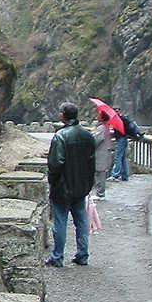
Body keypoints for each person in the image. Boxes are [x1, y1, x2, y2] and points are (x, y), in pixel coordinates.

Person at [46, 102, 96, 267]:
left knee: (60, 221)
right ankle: (82, 254)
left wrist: (52, 181)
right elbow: (91, 163)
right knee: (81, 220)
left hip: (62, 187)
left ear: (63, 115)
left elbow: (55, 164)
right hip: (81, 187)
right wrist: (88, 184)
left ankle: (57, 256)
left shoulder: (60, 136)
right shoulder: (88, 136)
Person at [110, 107, 145, 181]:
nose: (116, 111)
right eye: (115, 110)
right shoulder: (122, 119)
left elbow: (121, 131)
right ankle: (125, 175)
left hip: (121, 139)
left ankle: (115, 175)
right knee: (123, 158)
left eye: (117, 110)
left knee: (118, 157)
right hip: (124, 138)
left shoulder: (120, 119)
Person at [92, 112, 116, 199]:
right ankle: (100, 192)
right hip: (104, 152)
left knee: (100, 173)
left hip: (100, 153)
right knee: (100, 172)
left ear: (102, 118)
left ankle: (100, 193)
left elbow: (97, 140)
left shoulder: (101, 128)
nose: (97, 116)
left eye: (99, 115)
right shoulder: (105, 127)